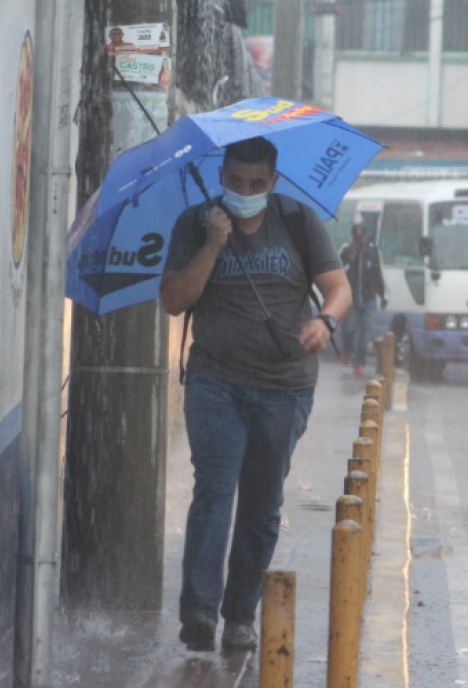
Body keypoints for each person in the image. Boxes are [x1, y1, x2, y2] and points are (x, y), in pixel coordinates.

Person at [159, 137, 352, 652]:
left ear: (273, 181)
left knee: (262, 507)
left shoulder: (297, 221)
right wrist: (212, 246)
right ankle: (199, 613)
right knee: (215, 491)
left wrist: (325, 321)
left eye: (256, 184)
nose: (245, 192)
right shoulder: (196, 223)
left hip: (284, 389)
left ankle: (240, 615)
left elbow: (340, 287)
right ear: (222, 176)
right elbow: (174, 301)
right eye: (235, 183)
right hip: (214, 382)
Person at [339, 222, 386, 376]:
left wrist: (383, 294)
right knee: (349, 329)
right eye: (357, 238)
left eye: (362, 237)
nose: (360, 240)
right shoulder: (346, 250)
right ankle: (348, 350)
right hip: (351, 300)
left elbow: (378, 275)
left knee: (365, 333)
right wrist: (351, 259)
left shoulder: (373, 252)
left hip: (369, 299)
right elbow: (339, 272)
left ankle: (359, 362)